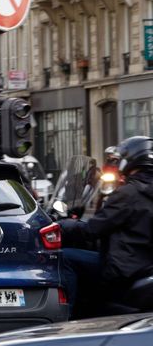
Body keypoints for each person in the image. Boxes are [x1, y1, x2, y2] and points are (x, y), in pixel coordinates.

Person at [59, 136, 153, 318]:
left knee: (66, 257)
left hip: (123, 268)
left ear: (130, 159)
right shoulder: (140, 191)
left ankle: (65, 318)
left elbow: (92, 230)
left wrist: (65, 225)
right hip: (145, 265)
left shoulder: (129, 193)